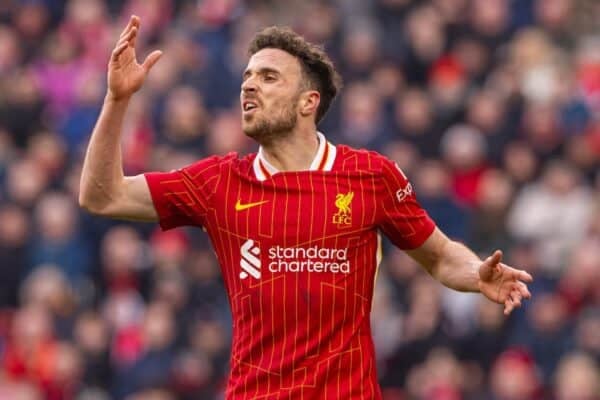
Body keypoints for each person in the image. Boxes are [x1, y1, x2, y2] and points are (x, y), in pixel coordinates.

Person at [79, 16, 533, 399]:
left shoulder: (370, 176)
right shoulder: (217, 182)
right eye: (247, 77)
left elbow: (437, 255)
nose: (249, 86)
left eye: (268, 77)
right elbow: (103, 195)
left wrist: (476, 274)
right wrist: (117, 100)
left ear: (308, 103)